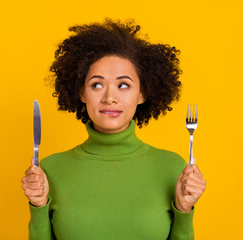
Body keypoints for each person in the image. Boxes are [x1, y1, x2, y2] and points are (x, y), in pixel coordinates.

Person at [21, 18, 206, 240]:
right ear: (81, 93)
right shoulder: (50, 170)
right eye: (97, 85)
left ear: (142, 94)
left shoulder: (173, 167)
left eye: (123, 85)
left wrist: (184, 211)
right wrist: (38, 205)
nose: (110, 98)